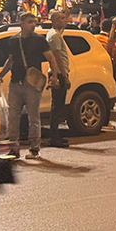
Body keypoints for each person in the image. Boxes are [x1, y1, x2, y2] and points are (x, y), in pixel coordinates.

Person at [0, 12, 60, 159]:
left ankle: (34, 148)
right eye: (30, 22)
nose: (33, 25)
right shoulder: (13, 41)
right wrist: (0, 75)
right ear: (21, 23)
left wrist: (54, 75)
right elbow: (11, 60)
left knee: (33, 117)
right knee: (13, 117)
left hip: (32, 84)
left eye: (34, 22)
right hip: (15, 82)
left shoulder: (39, 40)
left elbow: (51, 58)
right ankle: (14, 148)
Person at [46, 11, 71, 147]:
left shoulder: (56, 34)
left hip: (59, 73)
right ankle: (54, 138)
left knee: (58, 106)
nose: (64, 20)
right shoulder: (54, 36)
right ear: (54, 21)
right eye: (61, 18)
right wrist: (64, 76)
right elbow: (57, 57)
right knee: (57, 107)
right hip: (59, 73)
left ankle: (56, 136)